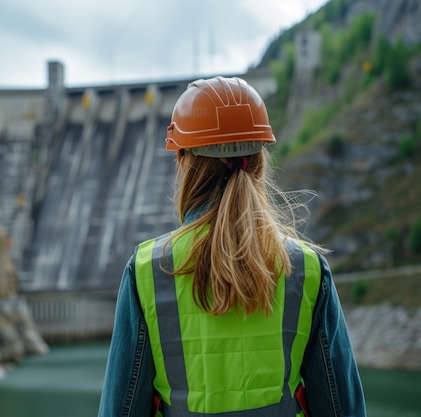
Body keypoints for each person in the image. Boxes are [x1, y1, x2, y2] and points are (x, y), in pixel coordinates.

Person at [98, 76, 366, 417]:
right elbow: (342, 408)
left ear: (183, 160)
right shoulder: (306, 268)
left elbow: (121, 409)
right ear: (259, 160)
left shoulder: (149, 268)